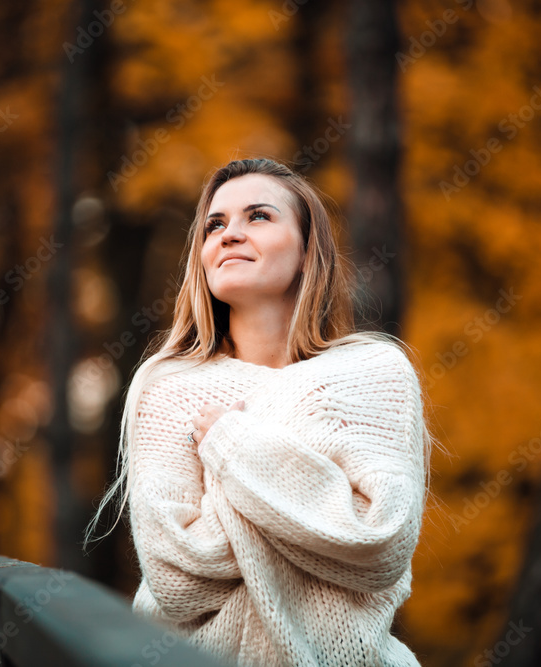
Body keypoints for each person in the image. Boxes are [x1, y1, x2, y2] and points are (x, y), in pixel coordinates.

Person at [85, 158, 434, 666]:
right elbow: (178, 580)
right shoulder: (168, 387)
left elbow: (378, 543)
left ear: (306, 249)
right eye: (215, 224)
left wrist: (232, 446)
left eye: (259, 216)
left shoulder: (375, 372)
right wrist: (317, 519)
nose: (230, 235)